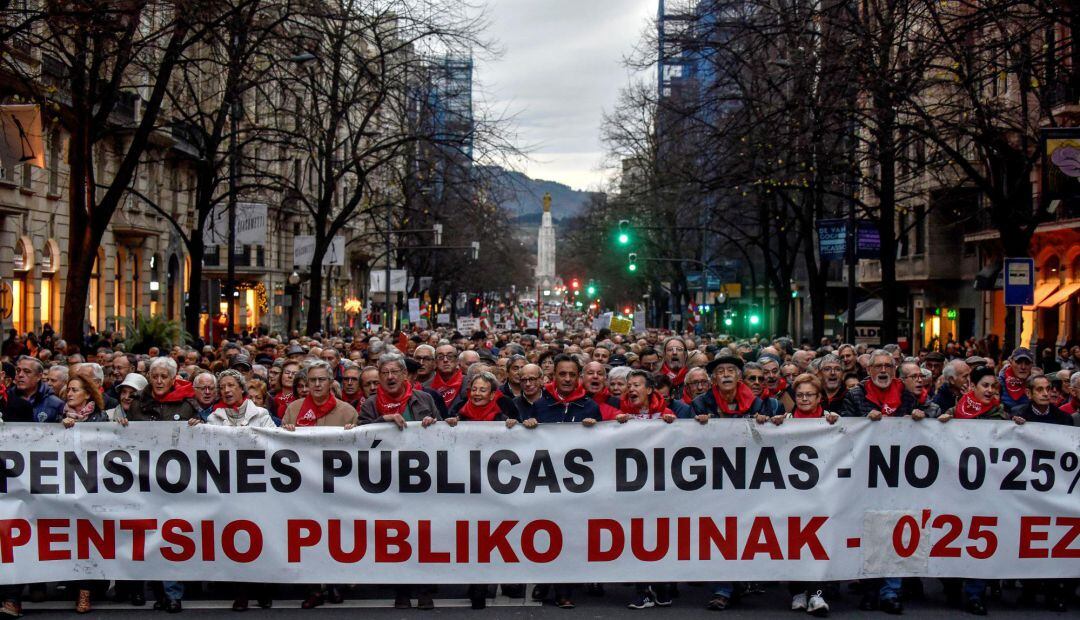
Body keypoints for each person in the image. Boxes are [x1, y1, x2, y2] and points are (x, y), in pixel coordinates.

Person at [938, 366, 1020, 615]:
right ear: (972, 387)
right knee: (951, 538)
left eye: (994, 386)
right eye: (985, 385)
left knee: (979, 541)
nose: (990, 390)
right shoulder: (954, 412)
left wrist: (1019, 428)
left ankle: (975, 593)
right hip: (955, 488)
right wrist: (942, 423)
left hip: (986, 491)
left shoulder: (1002, 415)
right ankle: (951, 583)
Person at [521, 354, 599, 609]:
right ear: (553, 376)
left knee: (570, 535)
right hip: (544, 483)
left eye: (572, 375)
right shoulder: (540, 405)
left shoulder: (589, 406)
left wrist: (596, 428)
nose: (566, 379)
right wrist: (527, 425)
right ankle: (546, 581)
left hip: (577, 486)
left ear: (578, 378)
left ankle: (565, 590)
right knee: (545, 536)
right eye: (562, 374)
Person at [754, 373, 835, 616]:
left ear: (819, 396)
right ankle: (798, 592)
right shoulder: (784, 420)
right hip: (791, 495)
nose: (804, 399)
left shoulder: (832, 420)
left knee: (819, 547)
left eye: (809, 394)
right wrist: (768, 423)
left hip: (822, 496)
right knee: (794, 545)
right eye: (799, 395)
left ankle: (818, 596)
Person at [59, 375, 108, 613]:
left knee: (90, 541)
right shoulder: (60, 416)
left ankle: (85, 592)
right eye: (68, 389)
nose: (69, 393)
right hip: (67, 488)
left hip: (94, 488)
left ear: (88, 394)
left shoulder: (102, 417)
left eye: (75, 390)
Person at [359, 353, 441, 428]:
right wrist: (383, 419)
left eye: (394, 371)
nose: (390, 377)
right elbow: (361, 434)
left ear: (404, 373)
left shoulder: (425, 398)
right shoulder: (369, 404)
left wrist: (433, 423)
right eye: (385, 373)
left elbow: (441, 429)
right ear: (379, 376)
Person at [842, 350, 917, 420]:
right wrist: (866, 419)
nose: (883, 370)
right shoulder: (854, 396)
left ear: (894, 370)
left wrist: (916, 418)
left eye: (887, 366)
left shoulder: (907, 394)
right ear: (868, 370)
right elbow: (847, 426)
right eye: (878, 366)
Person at [691, 356, 765, 421]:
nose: (726, 375)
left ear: (739, 377)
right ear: (714, 379)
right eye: (720, 371)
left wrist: (762, 420)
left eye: (731, 370)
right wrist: (701, 423)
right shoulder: (700, 403)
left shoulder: (755, 403)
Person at [12, 356, 64, 422]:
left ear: (39, 376)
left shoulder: (56, 404)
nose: (20, 375)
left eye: (27, 371)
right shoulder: (5, 399)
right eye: (18, 370)